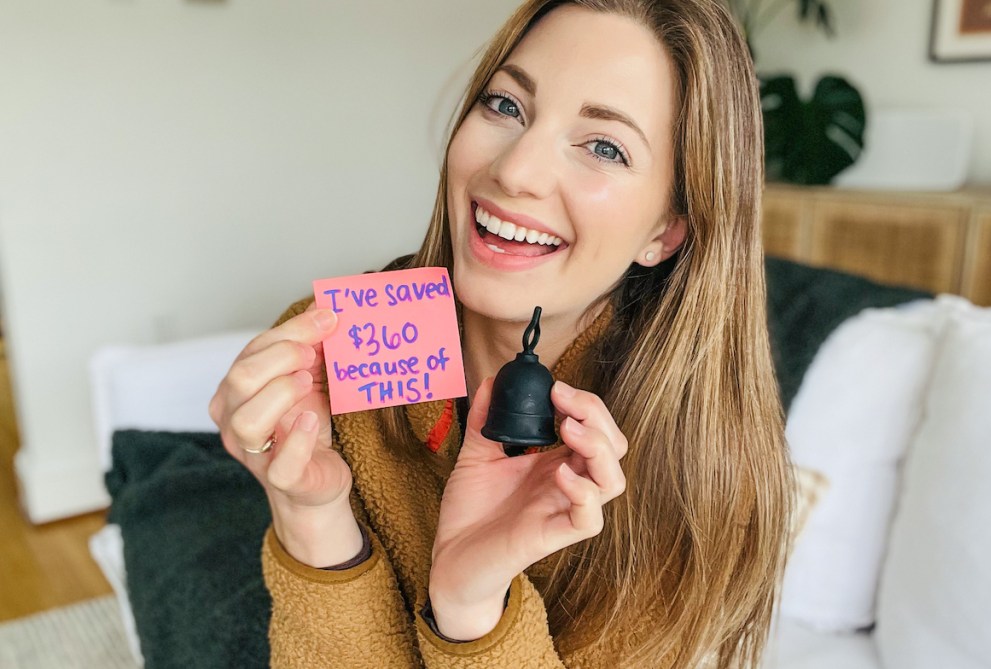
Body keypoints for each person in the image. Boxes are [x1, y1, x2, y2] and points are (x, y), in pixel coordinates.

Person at [208, 0, 793, 667]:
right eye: (506, 106)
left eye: (604, 146)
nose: (514, 171)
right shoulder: (325, 363)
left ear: (667, 230)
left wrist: (471, 606)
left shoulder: (697, 473)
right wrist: (313, 517)